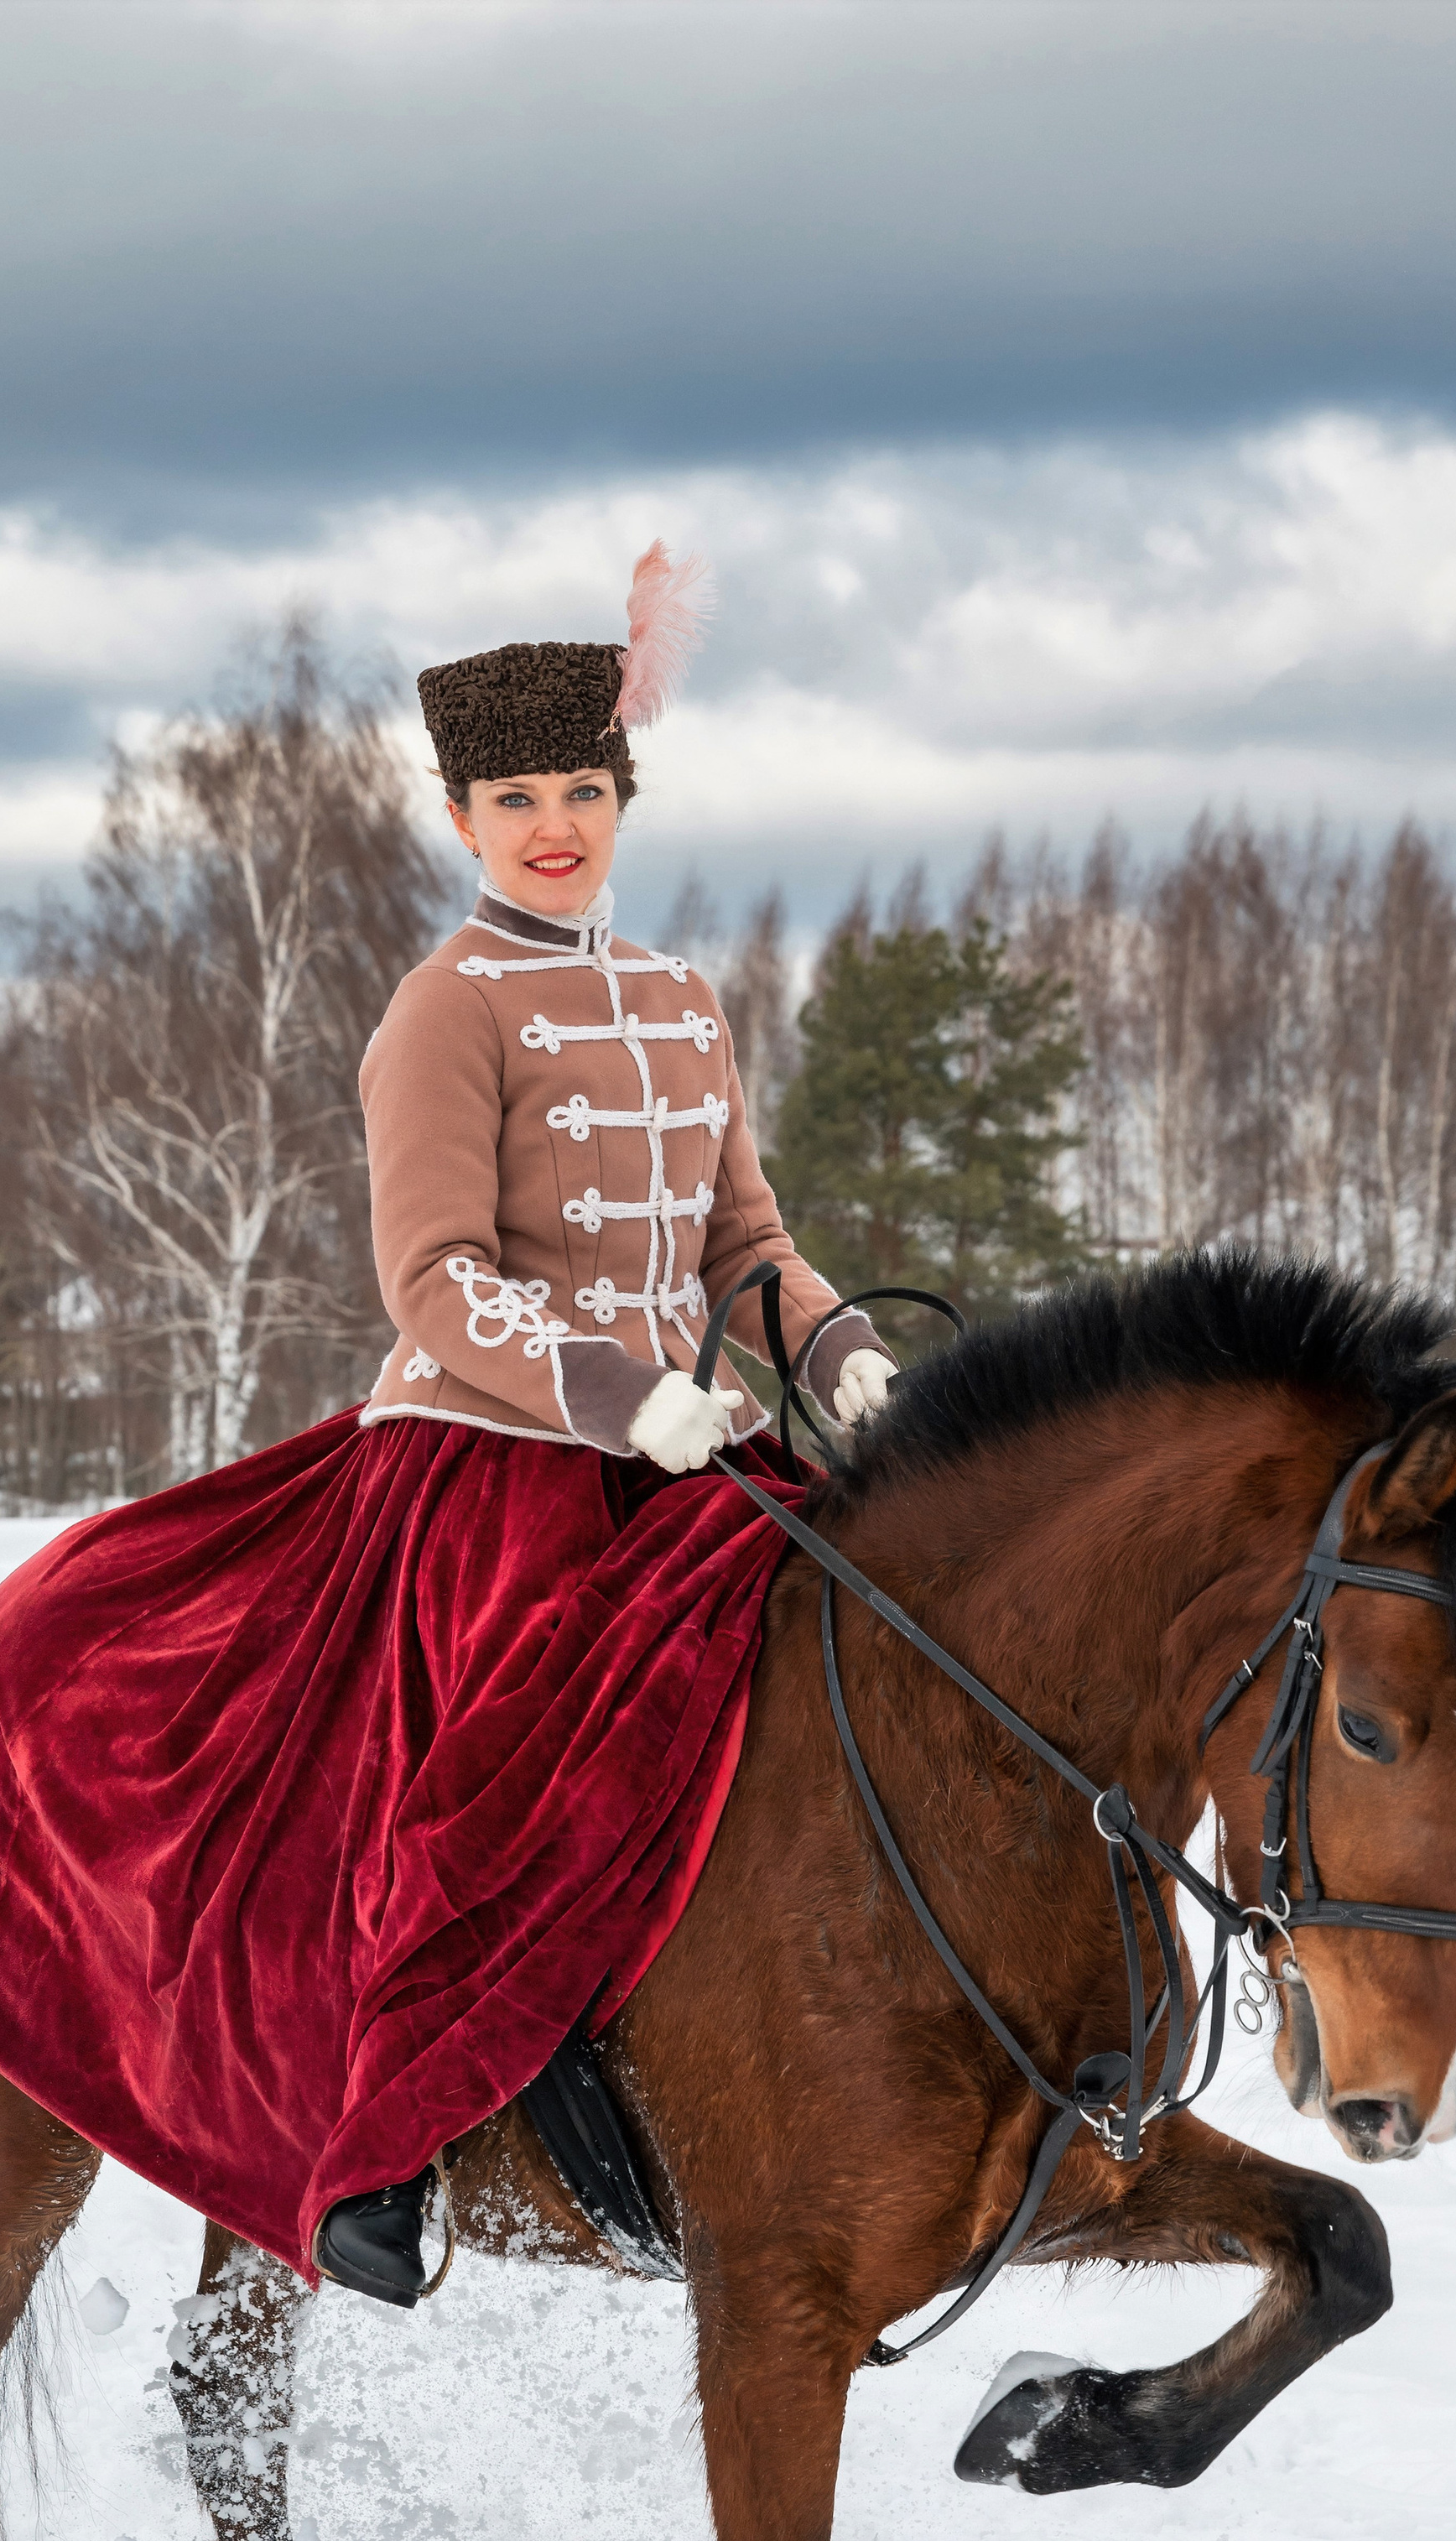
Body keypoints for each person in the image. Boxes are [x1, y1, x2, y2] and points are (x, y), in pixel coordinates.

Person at [314, 546, 896, 2300]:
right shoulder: (444, 1008)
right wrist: (617, 1392)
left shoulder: (677, 1001)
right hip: (490, 1458)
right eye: (513, 797)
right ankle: (388, 2145)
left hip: (691, 1449)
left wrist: (846, 1354)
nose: (549, 823)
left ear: (618, 794)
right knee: (500, 1768)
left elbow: (743, 1245)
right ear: (459, 815)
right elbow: (434, 1277)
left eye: (578, 788)